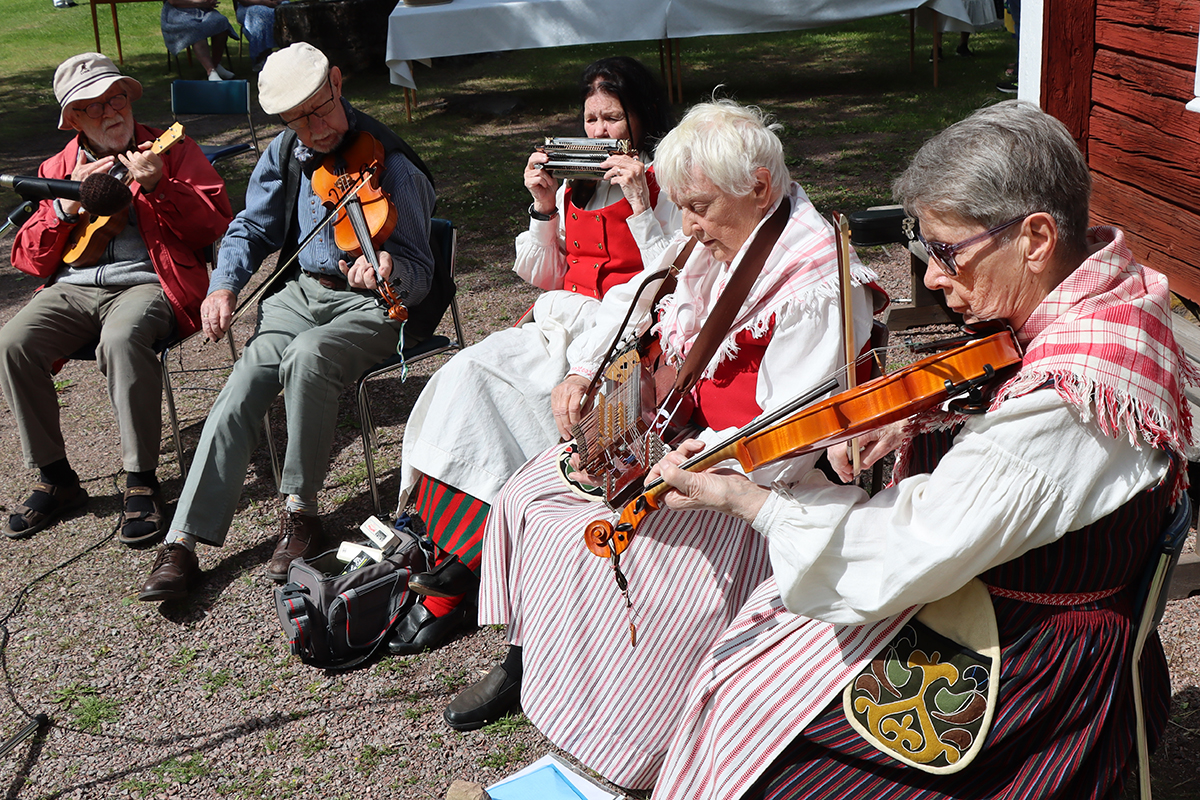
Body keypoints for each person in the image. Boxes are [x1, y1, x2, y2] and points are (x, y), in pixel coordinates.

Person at [650, 100, 1195, 800]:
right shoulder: (1113, 299)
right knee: (753, 662)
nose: (933, 277)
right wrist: (918, 423)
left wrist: (752, 502)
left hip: (1035, 669)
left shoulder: (1070, 401)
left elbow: (907, 549)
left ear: (1035, 238)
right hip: (1016, 599)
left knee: (754, 715)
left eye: (946, 252)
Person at [446, 100, 884, 790]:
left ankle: (637, 741)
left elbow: (784, 442)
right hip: (683, 439)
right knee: (527, 491)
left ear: (761, 189)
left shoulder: (817, 287)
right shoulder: (721, 236)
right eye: (680, 206)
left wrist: (690, 460)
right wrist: (590, 372)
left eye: (699, 207)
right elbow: (641, 297)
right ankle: (529, 657)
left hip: (750, 489)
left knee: (606, 551)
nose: (687, 226)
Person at [386, 56, 680, 656]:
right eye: (591, 119)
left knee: (515, 402)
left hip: (625, 327)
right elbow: (546, 276)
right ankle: (443, 546)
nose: (600, 132)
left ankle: (459, 576)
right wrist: (543, 205)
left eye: (613, 118)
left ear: (640, 119)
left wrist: (642, 201)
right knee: (462, 374)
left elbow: (669, 272)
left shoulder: (666, 180)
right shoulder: (575, 184)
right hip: (560, 319)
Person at [136, 42, 436, 602]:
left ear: (339, 84)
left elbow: (424, 270)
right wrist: (224, 284)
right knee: (247, 377)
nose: (314, 128)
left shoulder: (392, 162)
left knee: (310, 356)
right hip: (298, 296)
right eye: (296, 119)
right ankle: (182, 540)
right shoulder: (284, 153)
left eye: (319, 109)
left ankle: (301, 513)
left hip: (370, 306)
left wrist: (392, 270)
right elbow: (251, 227)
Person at [2, 52, 232, 544]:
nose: (112, 113)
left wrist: (160, 184)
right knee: (12, 342)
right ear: (74, 120)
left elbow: (216, 224)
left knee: (122, 338)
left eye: (118, 98)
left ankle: (141, 481)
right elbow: (29, 259)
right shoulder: (58, 165)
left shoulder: (170, 149)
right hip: (72, 288)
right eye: (94, 106)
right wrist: (64, 206)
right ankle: (58, 479)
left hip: (151, 283)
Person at [161, 0, 238, 81]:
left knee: (221, 21)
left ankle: (216, 64)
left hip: (203, 10)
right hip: (178, 12)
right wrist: (200, 2)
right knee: (195, 29)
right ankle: (211, 71)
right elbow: (174, 2)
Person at [234, 0, 283, 72]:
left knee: (289, 9)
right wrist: (264, 2)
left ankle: (290, 53)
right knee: (260, 12)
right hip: (249, 6)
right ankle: (260, 57)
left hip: (275, 3)